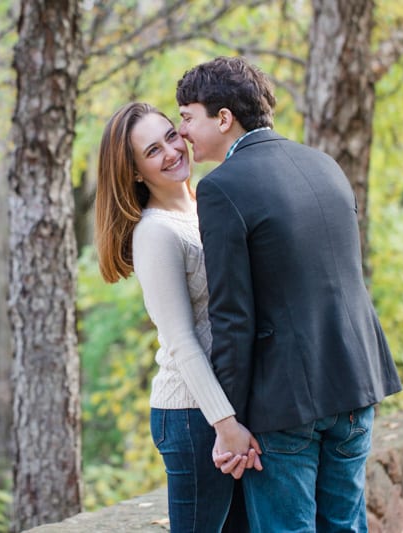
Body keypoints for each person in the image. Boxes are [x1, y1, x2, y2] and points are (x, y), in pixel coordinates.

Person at [175, 56, 403, 532]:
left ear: (223, 117)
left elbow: (231, 316)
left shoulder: (220, 189)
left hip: (284, 404)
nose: (183, 131)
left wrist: (229, 420)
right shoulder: (323, 164)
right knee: (345, 525)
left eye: (187, 115)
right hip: (356, 381)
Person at [94, 102, 260, 533]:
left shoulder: (208, 201)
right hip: (191, 415)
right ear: (133, 172)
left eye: (171, 135)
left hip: (230, 404)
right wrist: (226, 426)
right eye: (152, 151)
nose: (172, 152)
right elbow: (182, 341)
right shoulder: (155, 232)